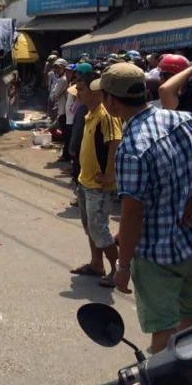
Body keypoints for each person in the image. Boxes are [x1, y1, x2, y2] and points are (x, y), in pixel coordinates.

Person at [97, 62, 192, 385]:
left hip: (156, 254)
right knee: (191, 314)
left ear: (111, 102)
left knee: (162, 326)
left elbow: (132, 213)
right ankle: (186, 379)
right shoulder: (182, 119)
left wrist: (122, 267)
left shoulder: (133, 146)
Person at [69, 68, 122, 288]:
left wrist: (109, 175)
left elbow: (115, 143)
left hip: (99, 185)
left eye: (81, 89)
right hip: (85, 181)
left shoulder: (106, 115)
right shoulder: (89, 113)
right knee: (90, 227)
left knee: (99, 228)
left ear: (94, 91)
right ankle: (96, 264)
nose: (77, 93)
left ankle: (117, 271)